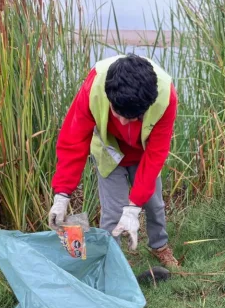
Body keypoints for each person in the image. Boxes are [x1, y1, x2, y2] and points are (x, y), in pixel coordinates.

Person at [48, 53, 179, 269]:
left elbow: (156, 153)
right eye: (118, 113)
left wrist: (135, 207)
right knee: (113, 212)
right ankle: (114, 261)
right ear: (109, 96)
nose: (123, 122)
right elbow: (73, 141)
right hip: (109, 150)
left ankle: (160, 246)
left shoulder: (166, 97)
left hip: (145, 154)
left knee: (154, 205)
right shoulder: (93, 88)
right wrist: (62, 194)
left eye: (133, 117)